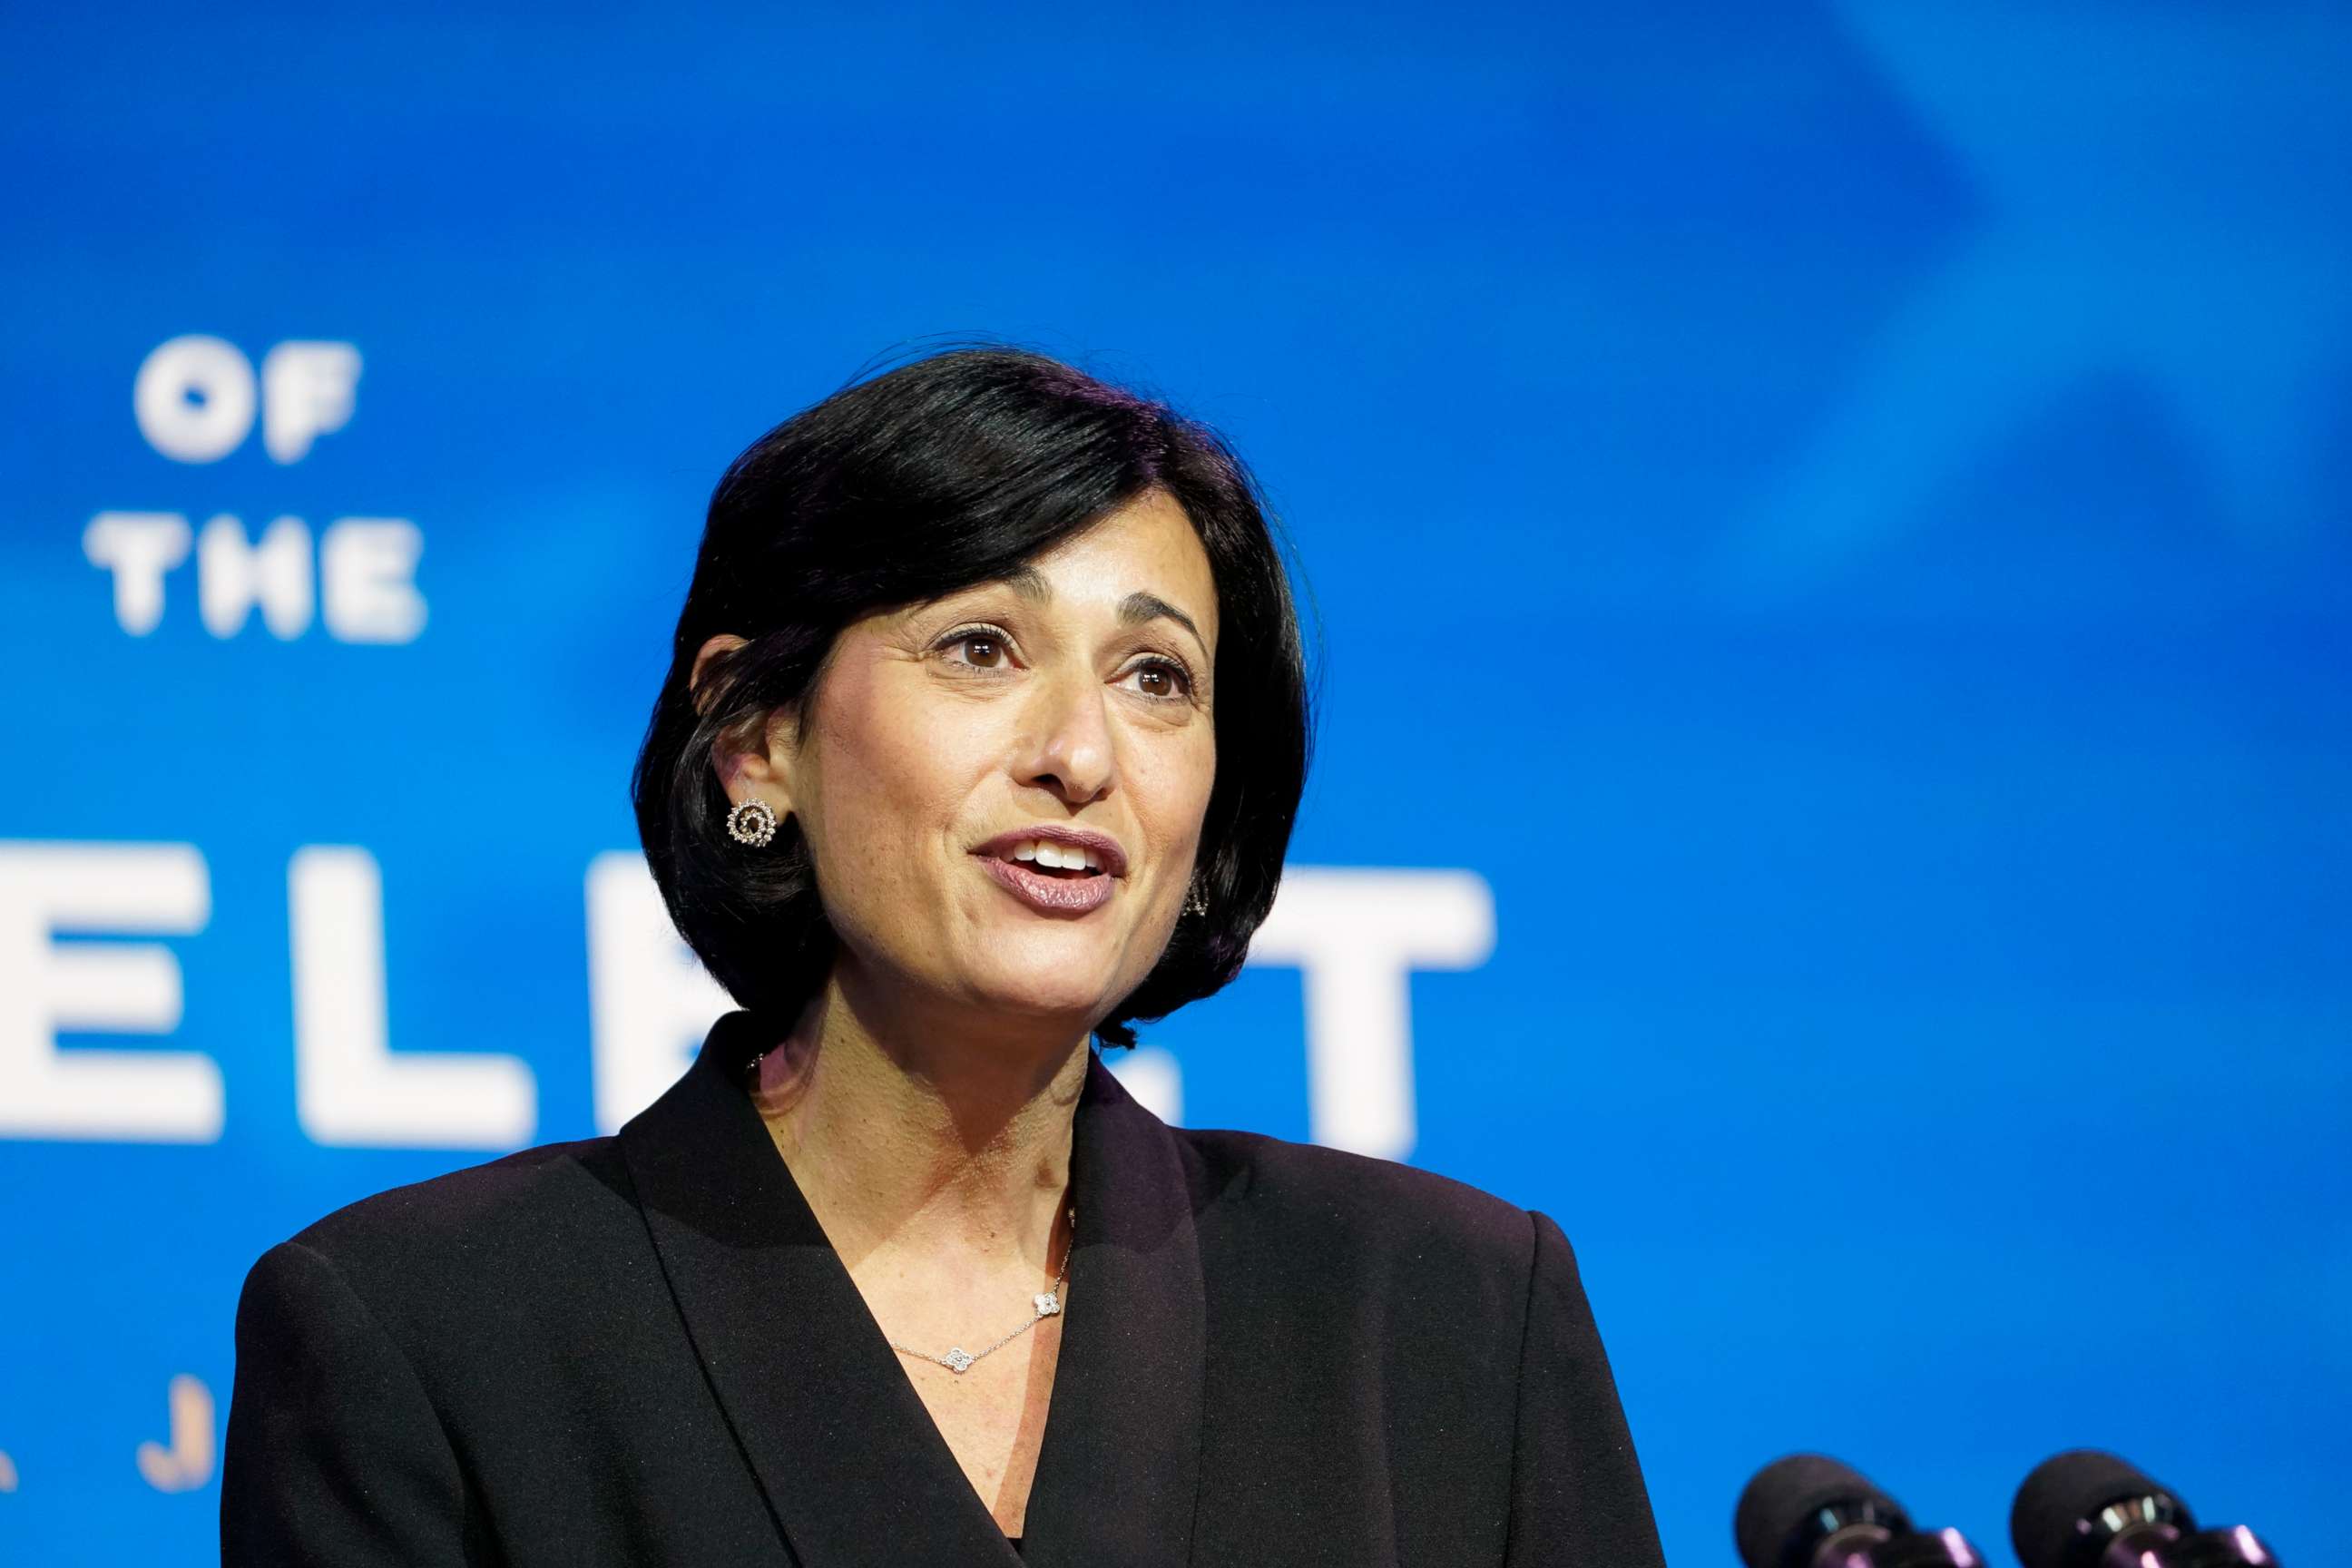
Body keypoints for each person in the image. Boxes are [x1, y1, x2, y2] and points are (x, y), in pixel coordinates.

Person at [219, 345, 1665, 1566]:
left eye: (1156, 677)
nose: (1082, 756)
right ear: (756, 732)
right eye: (981, 648)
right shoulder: (426, 1334)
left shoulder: (1450, 1314)